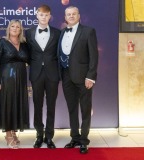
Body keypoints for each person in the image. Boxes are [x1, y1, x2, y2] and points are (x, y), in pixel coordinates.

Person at [58, 6, 98, 154]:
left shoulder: (88, 31)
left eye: (74, 14)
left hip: (83, 77)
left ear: (79, 15)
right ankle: (74, 137)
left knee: (85, 109)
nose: (71, 16)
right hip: (66, 75)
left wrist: (91, 76)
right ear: (65, 17)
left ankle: (84, 140)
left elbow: (94, 56)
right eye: (68, 14)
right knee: (72, 108)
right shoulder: (62, 32)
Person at [25, 5, 60, 149]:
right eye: (41, 15)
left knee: (51, 106)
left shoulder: (58, 33)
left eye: (46, 15)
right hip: (36, 73)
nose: (44, 17)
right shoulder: (28, 33)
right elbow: (26, 52)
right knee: (37, 105)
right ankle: (39, 135)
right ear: (37, 16)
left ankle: (49, 137)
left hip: (52, 74)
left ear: (50, 16)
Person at [0, 20, 30, 149]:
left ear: (21, 30)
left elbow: (30, 59)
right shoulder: (2, 42)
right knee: (7, 104)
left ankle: (13, 131)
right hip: (6, 78)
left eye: (18, 27)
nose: (15, 28)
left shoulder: (24, 44)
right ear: (8, 28)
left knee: (17, 104)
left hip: (21, 78)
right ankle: (8, 134)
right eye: (12, 26)